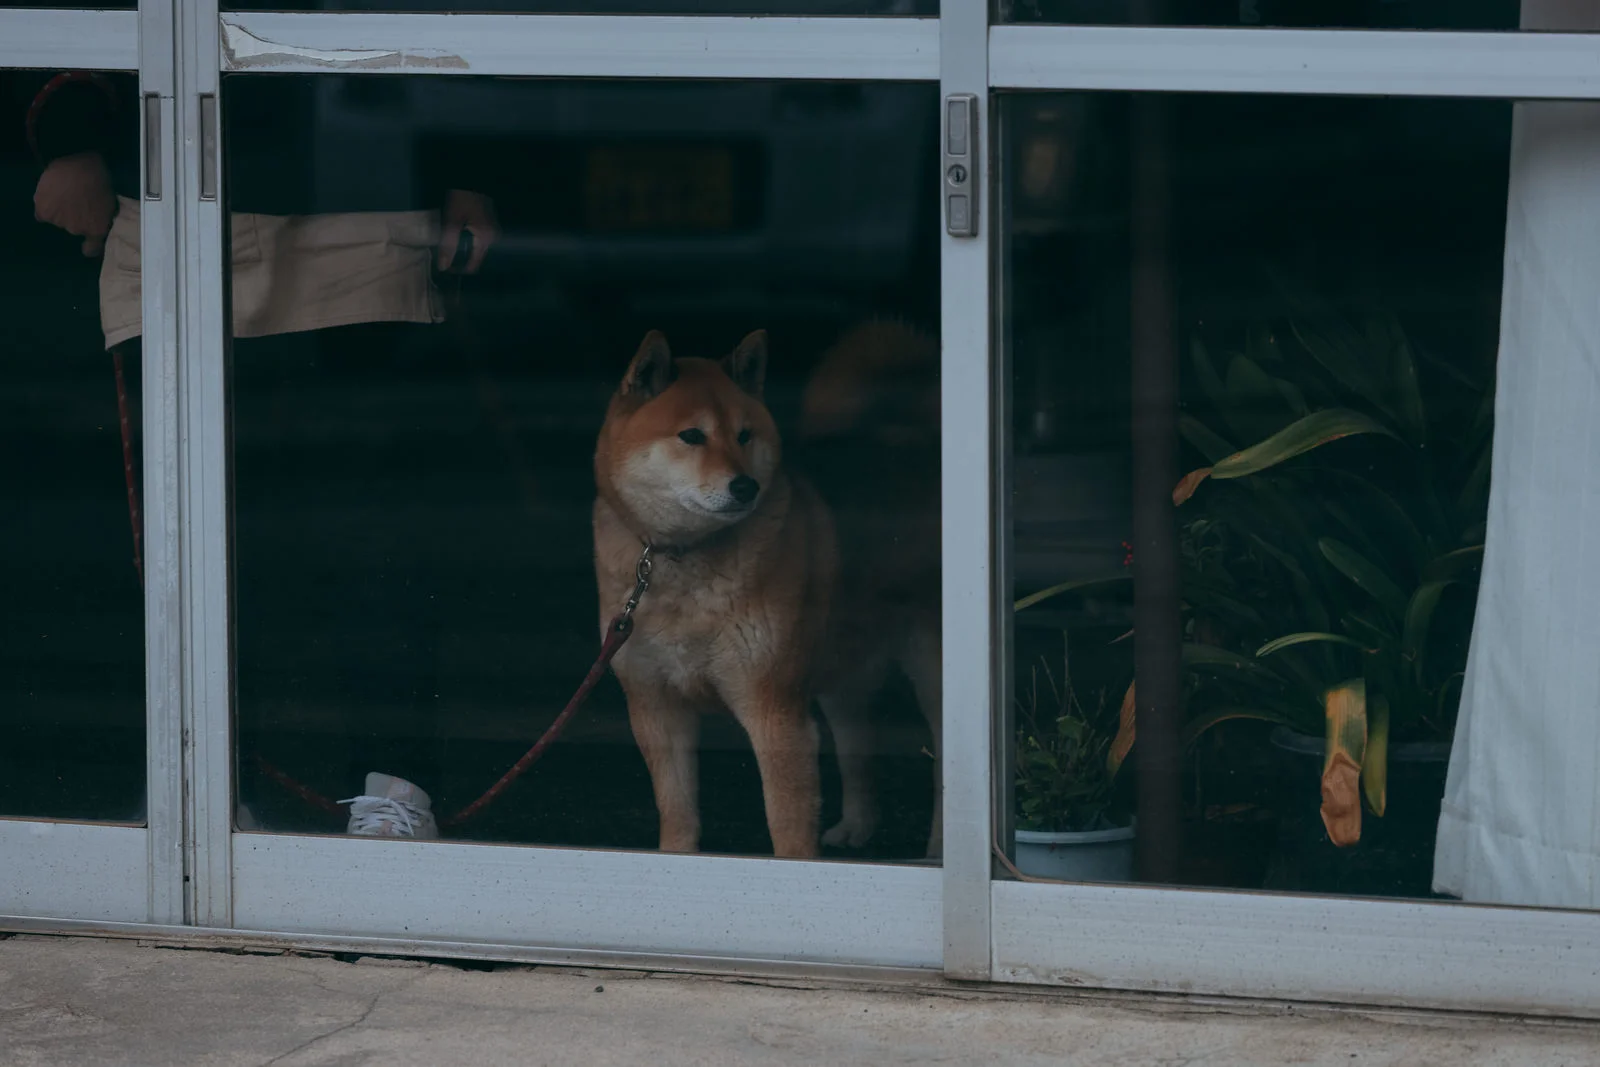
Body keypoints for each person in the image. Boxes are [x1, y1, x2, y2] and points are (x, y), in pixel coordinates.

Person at [28, 69, 499, 839]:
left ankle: (397, 786)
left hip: (357, 216)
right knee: (187, 544)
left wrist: (467, 163)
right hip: (171, 208)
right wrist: (72, 135)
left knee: (373, 542)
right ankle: (200, 788)